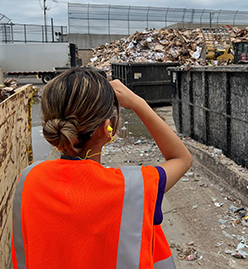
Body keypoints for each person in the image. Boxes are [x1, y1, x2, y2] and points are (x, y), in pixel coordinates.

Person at [11, 67, 192, 269]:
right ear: (109, 128)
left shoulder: (29, 179)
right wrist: (138, 103)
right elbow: (182, 158)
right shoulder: (132, 189)